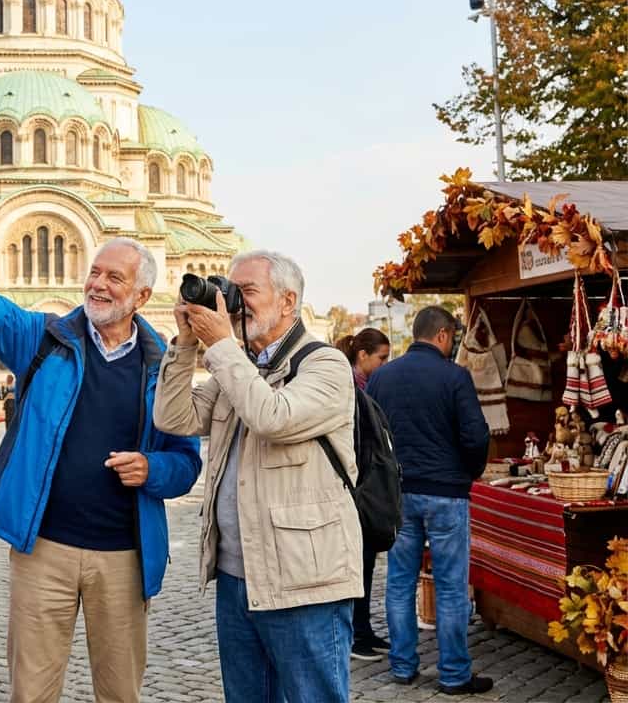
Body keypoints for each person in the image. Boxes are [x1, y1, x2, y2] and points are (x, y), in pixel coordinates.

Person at [0, 187, 202, 703]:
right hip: (44, 548)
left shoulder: (163, 366)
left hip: (123, 556)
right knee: (32, 690)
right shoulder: (45, 339)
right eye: (95, 272)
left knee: (119, 692)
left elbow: (186, 464)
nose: (98, 284)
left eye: (115, 278)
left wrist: (152, 469)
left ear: (140, 297)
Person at [153, 251, 361, 703]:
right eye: (231, 291)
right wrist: (187, 344)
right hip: (237, 578)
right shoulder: (242, 365)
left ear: (288, 302)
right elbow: (174, 417)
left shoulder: (324, 364)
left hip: (304, 581)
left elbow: (273, 417)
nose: (233, 302)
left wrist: (223, 346)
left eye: (246, 292)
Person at [366, 306, 491, 695]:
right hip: (446, 492)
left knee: (399, 582)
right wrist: (468, 473)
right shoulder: (455, 376)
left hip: (399, 492)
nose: (453, 343)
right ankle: (454, 674)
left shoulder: (382, 377)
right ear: (441, 335)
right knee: (452, 586)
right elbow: (475, 435)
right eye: (452, 336)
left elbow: (368, 435)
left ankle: (403, 666)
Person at [338, 327, 392, 662]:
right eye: (381, 358)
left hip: (362, 489)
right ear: (362, 356)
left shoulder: (364, 387)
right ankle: (356, 634)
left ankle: (364, 630)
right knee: (357, 565)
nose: (385, 364)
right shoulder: (350, 389)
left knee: (366, 563)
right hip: (356, 491)